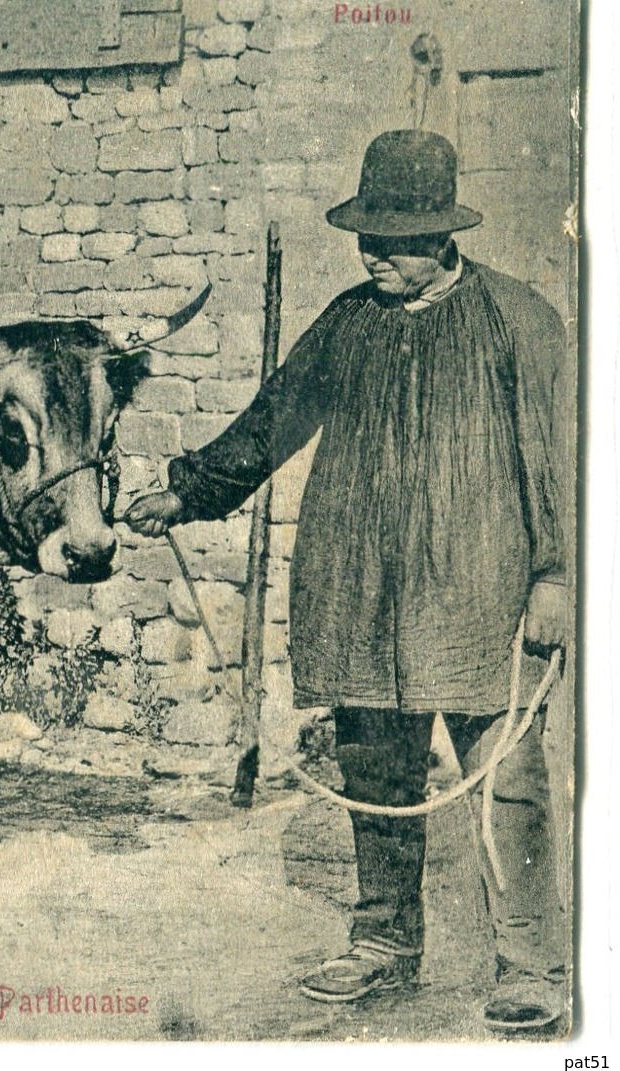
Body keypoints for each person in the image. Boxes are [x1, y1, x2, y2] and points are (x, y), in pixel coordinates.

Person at [124, 129, 572, 1032]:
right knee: (374, 772)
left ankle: (529, 962)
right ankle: (383, 940)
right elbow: (269, 423)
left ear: (443, 235)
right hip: (360, 586)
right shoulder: (347, 320)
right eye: (366, 237)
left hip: (479, 590)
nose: (373, 254)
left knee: (505, 779)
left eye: (393, 240)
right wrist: (184, 489)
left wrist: (554, 573)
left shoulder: (517, 318)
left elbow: (555, 460)